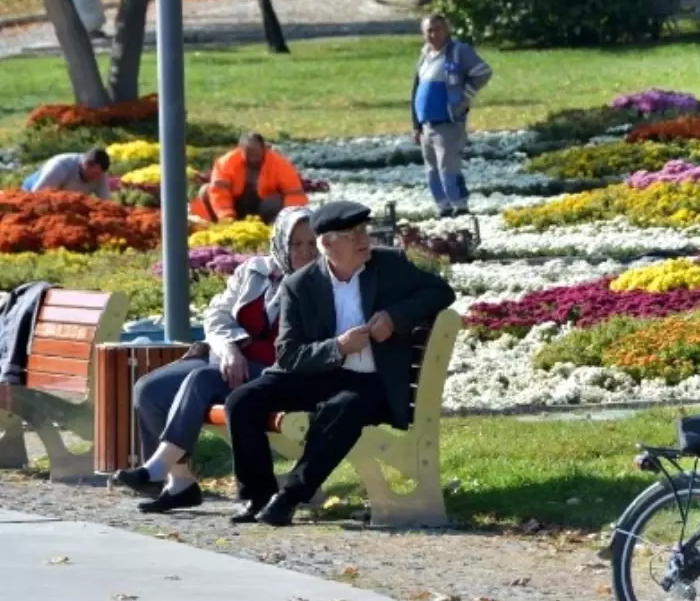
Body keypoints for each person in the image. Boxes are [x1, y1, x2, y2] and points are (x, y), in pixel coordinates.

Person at [223, 200, 455, 526]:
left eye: (364, 231)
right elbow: (289, 354)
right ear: (327, 244)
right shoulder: (299, 285)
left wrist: (395, 317)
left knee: (343, 407)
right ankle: (256, 497)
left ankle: (289, 496)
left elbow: (441, 291)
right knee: (242, 400)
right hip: (320, 374)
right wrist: (337, 348)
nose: (364, 239)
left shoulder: (389, 265)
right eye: (352, 234)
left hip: (372, 383)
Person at [110, 207, 318, 513]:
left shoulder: (318, 283)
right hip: (227, 359)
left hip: (274, 372)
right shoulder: (254, 271)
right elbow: (217, 314)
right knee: (149, 389)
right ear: (281, 243)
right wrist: (230, 348)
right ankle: (179, 482)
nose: (304, 251)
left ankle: (154, 468)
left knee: (203, 379)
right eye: (295, 243)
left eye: (312, 244)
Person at [410, 14, 493, 218]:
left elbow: (483, 72)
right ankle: (443, 207)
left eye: (437, 29)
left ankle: (460, 205)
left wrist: (466, 96)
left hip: (449, 122)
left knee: (448, 166)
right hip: (426, 124)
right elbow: (416, 89)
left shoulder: (458, 51)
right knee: (431, 169)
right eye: (428, 30)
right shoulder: (425, 55)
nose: (433, 34)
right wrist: (416, 125)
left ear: (447, 30)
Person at [190, 132, 308, 224]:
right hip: (235, 206)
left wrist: (290, 221)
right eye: (249, 155)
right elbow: (219, 192)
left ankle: (270, 226)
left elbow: (295, 194)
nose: (253, 159)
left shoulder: (280, 164)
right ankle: (220, 227)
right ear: (239, 150)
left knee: (275, 202)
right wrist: (226, 217)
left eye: (257, 154)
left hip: (264, 208)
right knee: (205, 191)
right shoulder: (226, 163)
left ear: (264, 149)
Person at [22, 147, 111, 199]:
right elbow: (36, 196)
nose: (96, 178)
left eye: (100, 174)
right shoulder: (61, 167)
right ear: (86, 165)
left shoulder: (101, 174)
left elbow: (105, 201)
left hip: (68, 200)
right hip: (33, 190)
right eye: (94, 174)